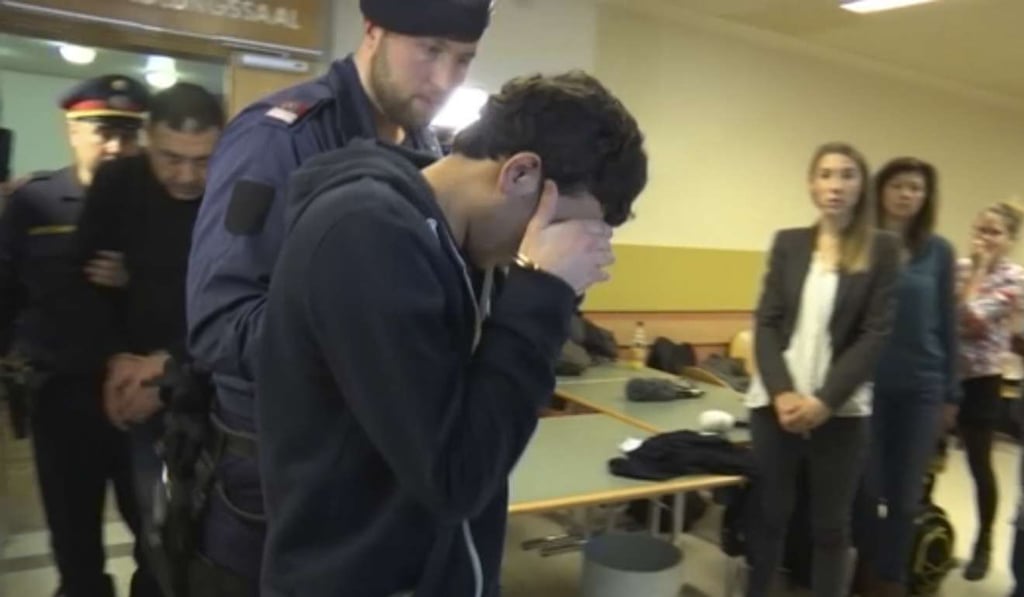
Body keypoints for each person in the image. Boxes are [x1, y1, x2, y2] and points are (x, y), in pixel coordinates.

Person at [256, 71, 647, 597]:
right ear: (520, 173)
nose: (542, 248)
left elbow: (478, 423)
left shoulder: (454, 243)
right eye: (557, 229)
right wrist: (543, 291)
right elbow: (455, 477)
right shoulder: (366, 234)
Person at [185, 0, 492, 588]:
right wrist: (361, 346)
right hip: (273, 477)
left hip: (377, 467)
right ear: (373, 30)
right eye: (429, 50)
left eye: (463, 59)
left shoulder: (424, 150)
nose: (445, 79)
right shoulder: (280, 138)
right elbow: (218, 323)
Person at [0, 74, 158, 597]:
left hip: (139, 402)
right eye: (102, 132)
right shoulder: (34, 202)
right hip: (62, 401)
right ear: (71, 129)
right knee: (75, 548)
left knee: (157, 542)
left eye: (128, 134)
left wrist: (136, 278)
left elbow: (182, 298)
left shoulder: (157, 204)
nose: (116, 147)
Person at [73, 82, 225, 596]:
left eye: (202, 160)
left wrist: (168, 362)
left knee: (215, 537)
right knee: (153, 532)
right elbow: (85, 275)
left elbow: (237, 297)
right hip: (133, 380)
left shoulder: (237, 189)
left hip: (211, 383)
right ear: (147, 141)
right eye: (171, 158)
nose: (186, 176)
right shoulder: (118, 182)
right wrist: (116, 358)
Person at [744, 142, 900, 597]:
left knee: (830, 526)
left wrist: (825, 401)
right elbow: (766, 322)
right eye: (826, 174)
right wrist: (782, 393)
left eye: (847, 175)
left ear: (862, 186)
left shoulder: (882, 248)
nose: (836, 185)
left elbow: (875, 333)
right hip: (775, 403)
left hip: (842, 408)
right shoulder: (789, 243)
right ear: (812, 185)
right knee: (769, 516)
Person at [854, 157, 958, 597]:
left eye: (916, 188)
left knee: (904, 494)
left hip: (922, 388)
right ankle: (864, 569)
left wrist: (951, 394)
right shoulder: (860, 244)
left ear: (925, 197)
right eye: (898, 185)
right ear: (881, 191)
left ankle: (891, 580)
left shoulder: (940, 251)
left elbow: (948, 321)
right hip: (867, 386)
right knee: (866, 488)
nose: (907, 195)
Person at [956, 200, 1024, 581]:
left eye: (994, 232)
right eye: (980, 230)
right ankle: (925, 528)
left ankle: (983, 542)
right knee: (930, 458)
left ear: (1010, 239)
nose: (984, 238)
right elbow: (943, 319)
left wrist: (979, 272)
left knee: (978, 462)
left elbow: (972, 318)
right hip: (944, 375)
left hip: (982, 379)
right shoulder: (957, 268)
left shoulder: (1015, 278)